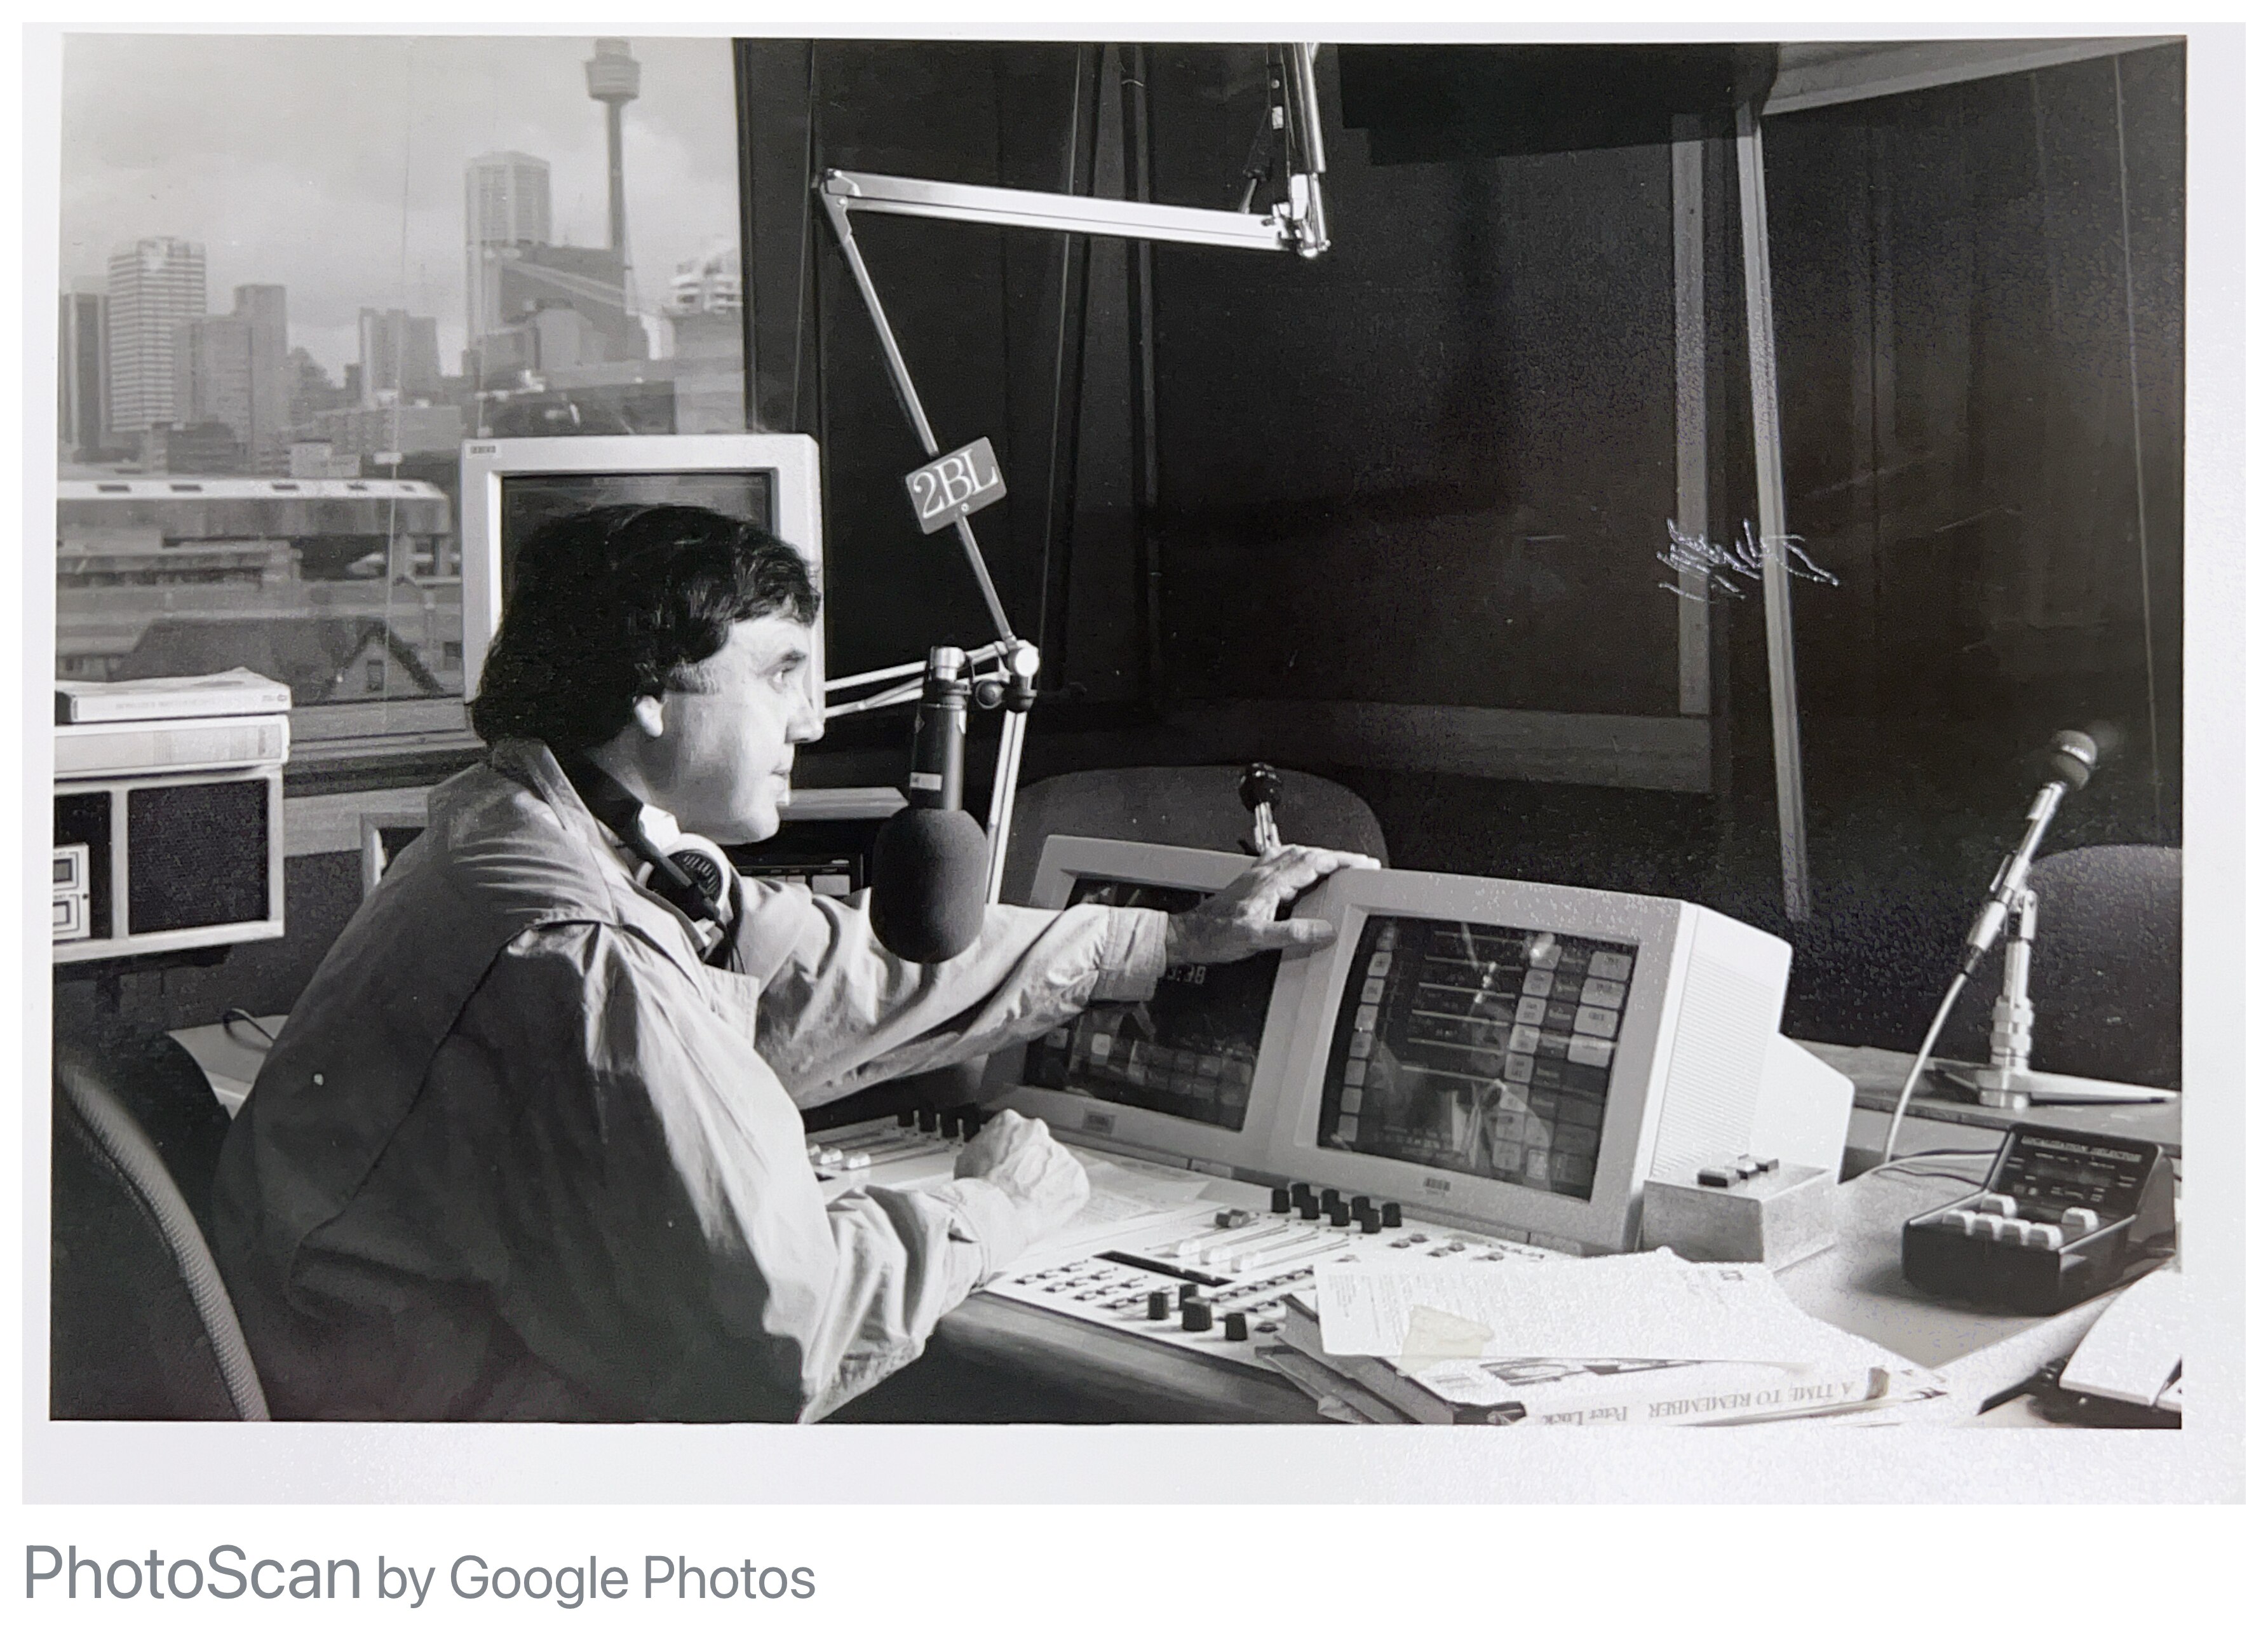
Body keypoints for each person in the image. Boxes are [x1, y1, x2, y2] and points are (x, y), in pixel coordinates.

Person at [212, 503, 1374, 1422]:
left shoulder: (527, 830)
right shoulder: (584, 946)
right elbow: (784, 1335)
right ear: (648, 691)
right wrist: (995, 1207)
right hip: (459, 1460)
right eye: (778, 672)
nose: (810, 721)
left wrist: (1165, 939)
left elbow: (826, 968)